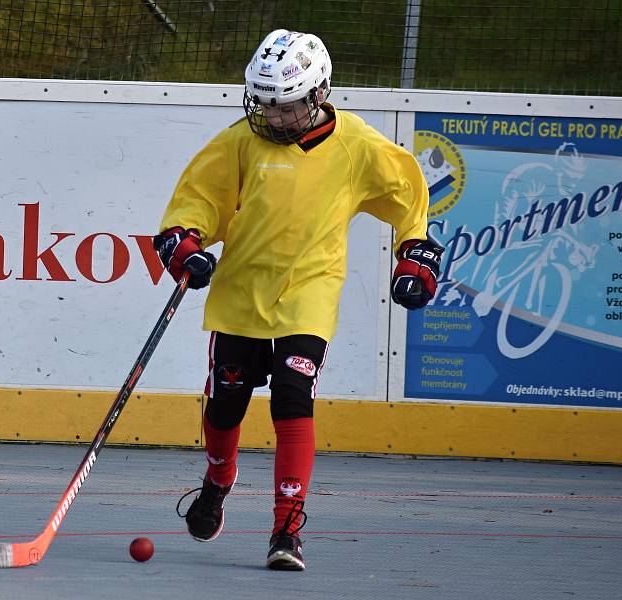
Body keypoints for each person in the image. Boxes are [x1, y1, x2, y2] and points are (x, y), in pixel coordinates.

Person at [154, 29, 443, 571]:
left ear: (319, 94)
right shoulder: (242, 141)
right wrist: (184, 243)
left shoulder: (356, 145)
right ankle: (218, 479)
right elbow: (197, 199)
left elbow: (408, 194)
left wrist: (415, 254)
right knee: (224, 408)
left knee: (293, 397)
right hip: (242, 291)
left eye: (284, 106)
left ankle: (286, 528)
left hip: (308, 294)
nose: (272, 116)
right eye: (262, 103)